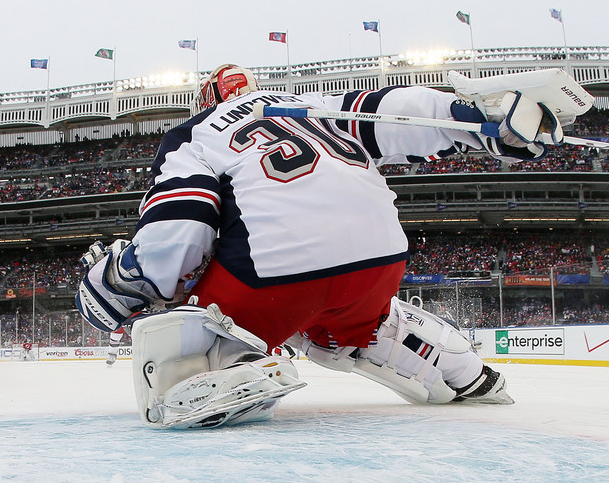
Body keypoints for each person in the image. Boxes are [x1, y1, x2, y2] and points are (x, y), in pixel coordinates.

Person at [76, 64, 571, 429]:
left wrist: (122, 280)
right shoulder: (314, 109)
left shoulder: (193, 135)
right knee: (350, 323)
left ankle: (222, 360)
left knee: (181, 318)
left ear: (205, 101)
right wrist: (480, 119)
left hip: (275, 276)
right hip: (379, 262)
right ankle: (456, 366)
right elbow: (395, 111)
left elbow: (180, 231)